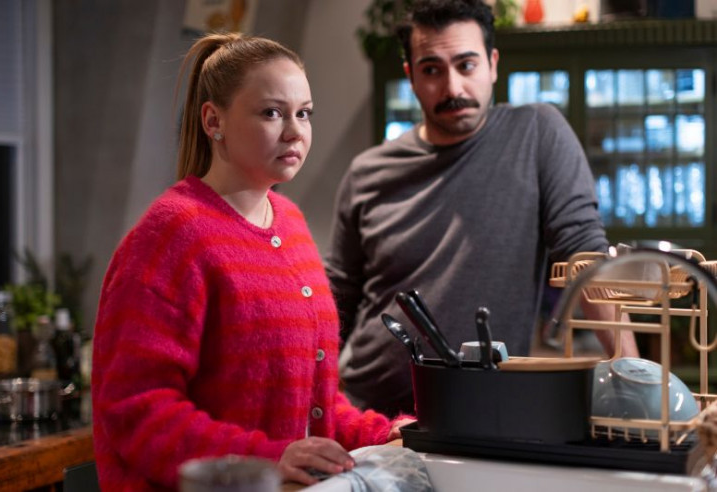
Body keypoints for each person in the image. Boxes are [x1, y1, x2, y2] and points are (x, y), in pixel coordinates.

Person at [92, 32, 413, 491]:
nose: (295, 131)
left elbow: (314, 403)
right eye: (272, 113)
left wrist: (383, 434)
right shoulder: (170, 236)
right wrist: (269, 456)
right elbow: (135, 410)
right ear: (213, 120)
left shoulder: (291, 224)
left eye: (304, 113)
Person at [326, 0, 639, 417]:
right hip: (369, 413)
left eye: (466, 65)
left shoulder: (537, 133)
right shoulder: (368, 172)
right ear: (411, 77)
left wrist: (636, 378)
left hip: (481, 409)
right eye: (432, 70)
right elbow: (337, 297)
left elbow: (584, 255)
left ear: (492, 64)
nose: (453, 88)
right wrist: (312, 398)